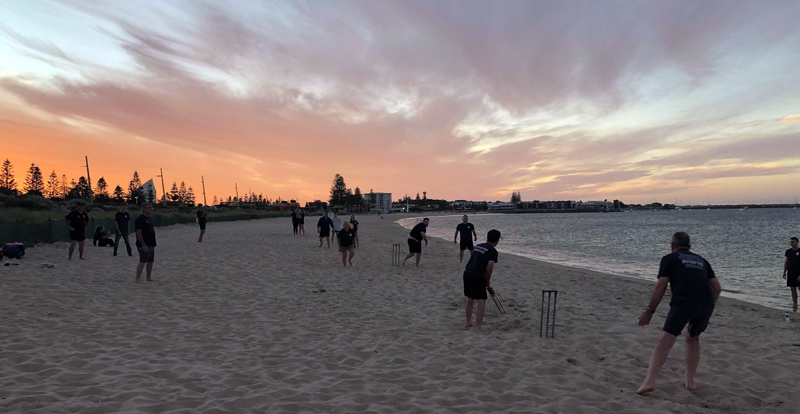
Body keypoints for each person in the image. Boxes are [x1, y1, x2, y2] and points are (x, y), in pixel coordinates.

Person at [636, 232, 722, 394]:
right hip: (706, 302)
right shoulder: (702, 261)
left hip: (684, 302)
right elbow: (717, 288)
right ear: (690, 247)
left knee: (665, 340)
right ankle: (690, 382)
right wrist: (708, 307)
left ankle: (649, 381)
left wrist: (650, 311)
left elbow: (661, 286)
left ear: (672, 246)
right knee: (692, 338)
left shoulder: (669, 258)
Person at [463, 229, 501, 329]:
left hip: (467, 272)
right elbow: (490, 268)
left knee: (470, 298)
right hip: (477, 275)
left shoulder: (477, 246)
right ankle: (478, 326)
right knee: (481, 300)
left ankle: (468, 322)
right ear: (496, 241)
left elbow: (473, 259)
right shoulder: (493, 251)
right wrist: (487, 281)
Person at [135, 202, 157, 283]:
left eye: (151, 207)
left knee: (150, 261)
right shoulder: (140, 219)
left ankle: (148, 277)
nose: (150, 209)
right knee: (143, 261)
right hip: (143, 244)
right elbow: (138, 232)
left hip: (151, 243)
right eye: (148, 207)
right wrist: (143, 244)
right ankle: (137, 278)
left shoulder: (149, 218)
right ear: (144, 209)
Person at [783, 237, 800, 312]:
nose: (791, 243)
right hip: (790, 272)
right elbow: (786, 262)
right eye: (790, 242)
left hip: (799, 272)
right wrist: (784, 271)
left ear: (797, 242)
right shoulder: (788, 251)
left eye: (793, 242)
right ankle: (795, 304)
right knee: (792, 288)